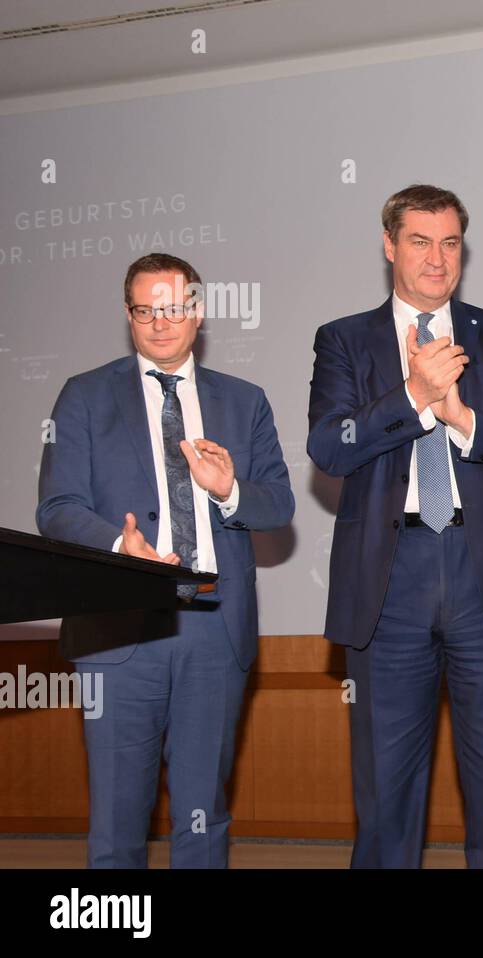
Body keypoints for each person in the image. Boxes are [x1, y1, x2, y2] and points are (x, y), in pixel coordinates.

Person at [307, 184, 483, 868]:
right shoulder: (344, 340)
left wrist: (465, 419)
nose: (436, 258)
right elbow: (330, 445)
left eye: (450, 242)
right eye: (419, 241)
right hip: (389, 581)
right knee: (387, 788)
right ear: (390, 245)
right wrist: (414, 397)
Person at [36, 252, 294, 868]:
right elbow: (57, 508)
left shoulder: (245, 401)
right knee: (119, 818)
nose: (159, 323)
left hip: (214, 628)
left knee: (204, 815)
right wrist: (119, 547)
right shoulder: (83, 396)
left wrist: (229, 489)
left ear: (198, 313)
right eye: (145, 310)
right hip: (120, 629)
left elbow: (278, 504)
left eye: (173, 308)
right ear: (129, 316)